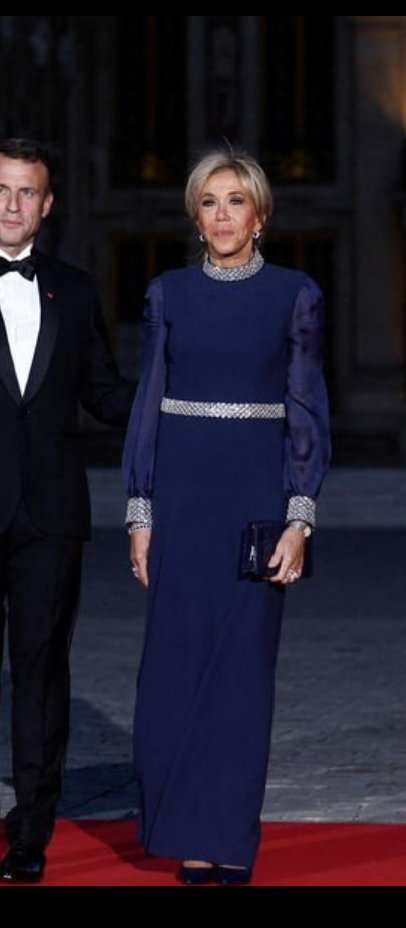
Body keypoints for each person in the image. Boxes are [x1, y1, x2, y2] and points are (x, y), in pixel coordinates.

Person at [123, 149, 331, 885]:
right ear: (194, 215)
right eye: (209, 202)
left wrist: (298, 518)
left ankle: (229, 837)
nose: (221, 215)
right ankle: (188, 832)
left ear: (260, 215)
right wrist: (140, 512)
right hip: (182, 501)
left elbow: (305, 407)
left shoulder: (294, 294)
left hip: (254, 503)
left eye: (235, 201)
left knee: (242, 675)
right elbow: (148, 405)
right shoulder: (168, 294)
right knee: (175, 672)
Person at [0, 138, 134, 883]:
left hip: (50, 512)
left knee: (41, 671)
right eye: (1, 189)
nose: (11, 204)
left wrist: (177, 395)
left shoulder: (75, 291)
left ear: (47, 205)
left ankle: (32, 829)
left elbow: (103, 392)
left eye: (27, 191)